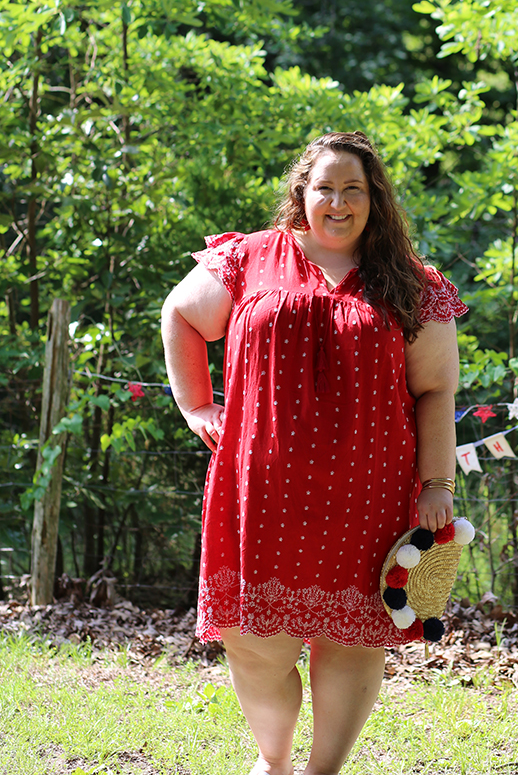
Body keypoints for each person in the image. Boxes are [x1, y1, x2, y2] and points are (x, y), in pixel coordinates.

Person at [161, 131, 468, 775]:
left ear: (374, 199)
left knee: (352, 638)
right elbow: (182, 316)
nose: (337, 201)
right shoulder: (248, 259)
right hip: (260, 489)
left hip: (370, 488)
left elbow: (436, 389)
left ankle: (322, 771)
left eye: (353, 189)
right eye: (324, 187)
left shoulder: (411, 282)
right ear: (302, 193)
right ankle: (274, 764)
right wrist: (196, 406)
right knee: (253, 639)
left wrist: (436, 482)